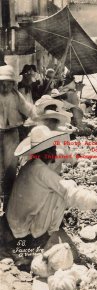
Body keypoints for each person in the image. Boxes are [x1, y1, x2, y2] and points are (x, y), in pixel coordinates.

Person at [6, 125, 97, 257]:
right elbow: (71, 192)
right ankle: (40, 236)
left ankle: (40, 232)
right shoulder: (40, 171)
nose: (56, 150)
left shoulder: (31, 165)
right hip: (21, 227)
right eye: (53, 148)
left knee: (61, 188)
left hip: (15, 220)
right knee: (63, 193)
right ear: (47, 151)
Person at [0, 65, 35, 209]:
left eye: (8, 83)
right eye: (2, 83)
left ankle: (7, 202)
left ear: (13, 83)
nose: (5, 86)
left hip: (11, 134)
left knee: (10, 167)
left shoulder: (16, 95)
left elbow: (29, 109)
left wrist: (41, 116)